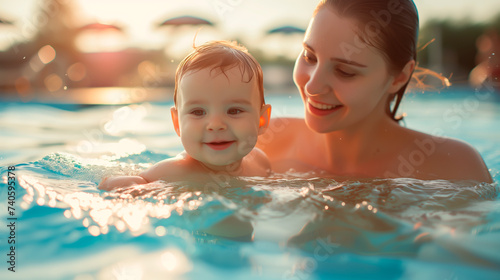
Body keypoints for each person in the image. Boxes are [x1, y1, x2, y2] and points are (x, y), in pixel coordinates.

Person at [257, 0, 492, 182]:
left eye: (345, 71)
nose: (312, 86)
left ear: (399, 77)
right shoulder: (258, 145)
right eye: (309, 56)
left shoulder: (454, 169)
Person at [99, 40, 272, 191]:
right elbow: (121, 184)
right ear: (177, 123)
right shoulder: (172, 172)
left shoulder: (260, 163)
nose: (216, 124)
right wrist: (119, 184)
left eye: (234, 111)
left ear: (261, 120)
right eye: (198, 112)